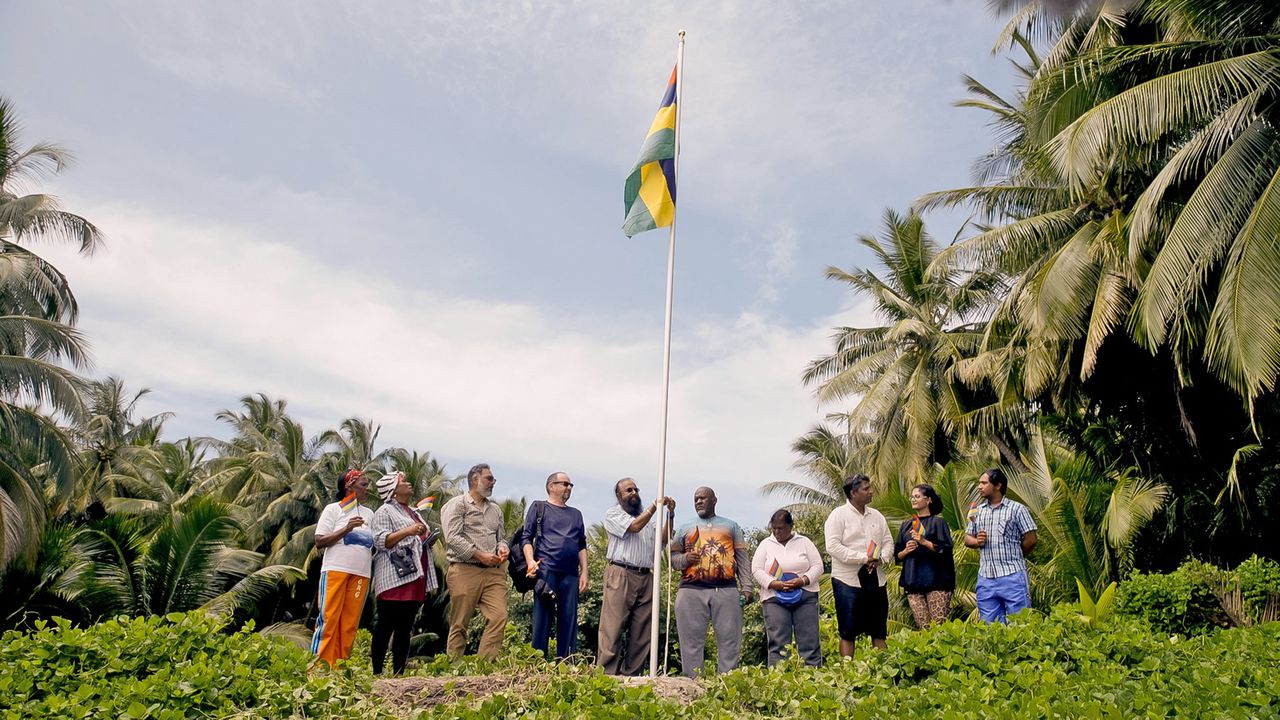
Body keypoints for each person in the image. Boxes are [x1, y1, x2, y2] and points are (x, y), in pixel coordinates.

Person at [670, 486, 754, 677]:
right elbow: (673, 559)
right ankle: (693, 686)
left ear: (714, 500)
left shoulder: (731, 526)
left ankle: (728, 685)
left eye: (703, 498)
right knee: (691, 643)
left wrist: (747, 587)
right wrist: (685, 559)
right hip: (690, 590)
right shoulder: (685, 527)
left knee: (730, 641)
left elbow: (742, 558)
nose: (698, 502)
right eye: (695, 499)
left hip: (726, 590)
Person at [597, 477, 675, 676]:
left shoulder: (646, 519)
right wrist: (654, 507)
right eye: (628, 490)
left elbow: (663, 540)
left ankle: (632, 674)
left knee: (642, 630)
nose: (634, 493)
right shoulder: (614, 513)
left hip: (645, 576)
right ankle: (607, 675)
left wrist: (670, 515)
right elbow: (633, 527)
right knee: (612, 628)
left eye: (636, 490)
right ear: (619, 495)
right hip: (620, 573)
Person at [370, 471, 439, 675]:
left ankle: (398, 671)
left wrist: (427, 538)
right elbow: (381, 540)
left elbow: (419, 535)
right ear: (392, 490)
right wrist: (408, 532)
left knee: (405, 626)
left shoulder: (412, 512)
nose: (408, 484)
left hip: (415, 574)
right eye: (403, 481)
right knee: (386, 623)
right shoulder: (384, 511)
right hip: (394, 576)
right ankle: (377, 671)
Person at [440, 462, 510, 660]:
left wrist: (502, 548)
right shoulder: (457, 504)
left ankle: (484, 667)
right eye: (489, 478)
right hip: (465, 569)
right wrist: (479, 554)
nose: (493, 482)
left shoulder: (495, 509)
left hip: (494, 572)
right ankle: (454, 667)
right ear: (474, 479)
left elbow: (501, 538)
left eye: (493, 479)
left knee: (499, 616)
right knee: (460, 622)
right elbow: (452, 538)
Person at [311, 469, 376, 666]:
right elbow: (319, 541)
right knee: (329, 618)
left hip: (361, 574)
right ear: (349, 486)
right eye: (363, 485)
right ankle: (318, 667)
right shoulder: (333, 509)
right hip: (335, 570)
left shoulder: (369, 513)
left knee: (349, 623)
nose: (367, 489)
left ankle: (339, 667)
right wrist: (346, 528)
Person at [824, 474, 893, 659]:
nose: (871, 492)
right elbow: (833, 546)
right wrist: (863, 558)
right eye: (866, 489)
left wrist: (881, 559)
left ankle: (884, 670)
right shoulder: (838, 515)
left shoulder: (877, 515)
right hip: (847, 580)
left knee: (879, 630)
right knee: (848, 630)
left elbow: (888, 543)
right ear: (853, 493)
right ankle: (848, 674)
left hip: (876, 579)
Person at [521, 471, 588, 660]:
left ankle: (567, 664)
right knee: (542, 620)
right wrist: (530, 562)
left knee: (569, 621)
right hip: (546, 571)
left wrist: (585, 572)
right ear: (551, 486)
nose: (568, 487)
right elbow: (526, 537)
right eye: (564, 484)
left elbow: (582, 544)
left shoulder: (576, 514)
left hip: (570, 574)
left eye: (570, 485)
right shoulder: (539, 507)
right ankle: (537, 664)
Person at [964, 468, 1038, 623]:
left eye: (984, 483)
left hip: (1012, 575)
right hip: (985, 578)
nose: (979, 487)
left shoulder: (1017, 509)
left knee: (1019, 624)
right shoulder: (977, 512)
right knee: (990, 626)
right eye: (979, 483)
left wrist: (1016, 556)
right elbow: (967, 539)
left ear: (997, 485)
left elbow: (1031, 539)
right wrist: (977, 542)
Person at [751, 509, 823, 667]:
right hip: (774, 598)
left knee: (809, 641)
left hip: (805, 596)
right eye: (774, 528)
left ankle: (813, 679)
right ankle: (779, 683)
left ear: (791, 526)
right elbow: (756, 570)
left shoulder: (804, 542)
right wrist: (774, 583)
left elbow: (818, 566)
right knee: (778, 643)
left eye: (781, 528)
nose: (777, 532)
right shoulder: (765, 545)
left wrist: (803, 580)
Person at [894, 484, 955, 628]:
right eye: (912, 497)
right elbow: (897, 555)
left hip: (937, 582)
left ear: (928, 500)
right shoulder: (906, 525)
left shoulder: (938, 522)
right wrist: (907, 550)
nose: (913, 499)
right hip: (913, 582)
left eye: (917, 496)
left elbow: (946, 550)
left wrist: (924, 542)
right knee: (923, 628)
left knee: (939, 627)